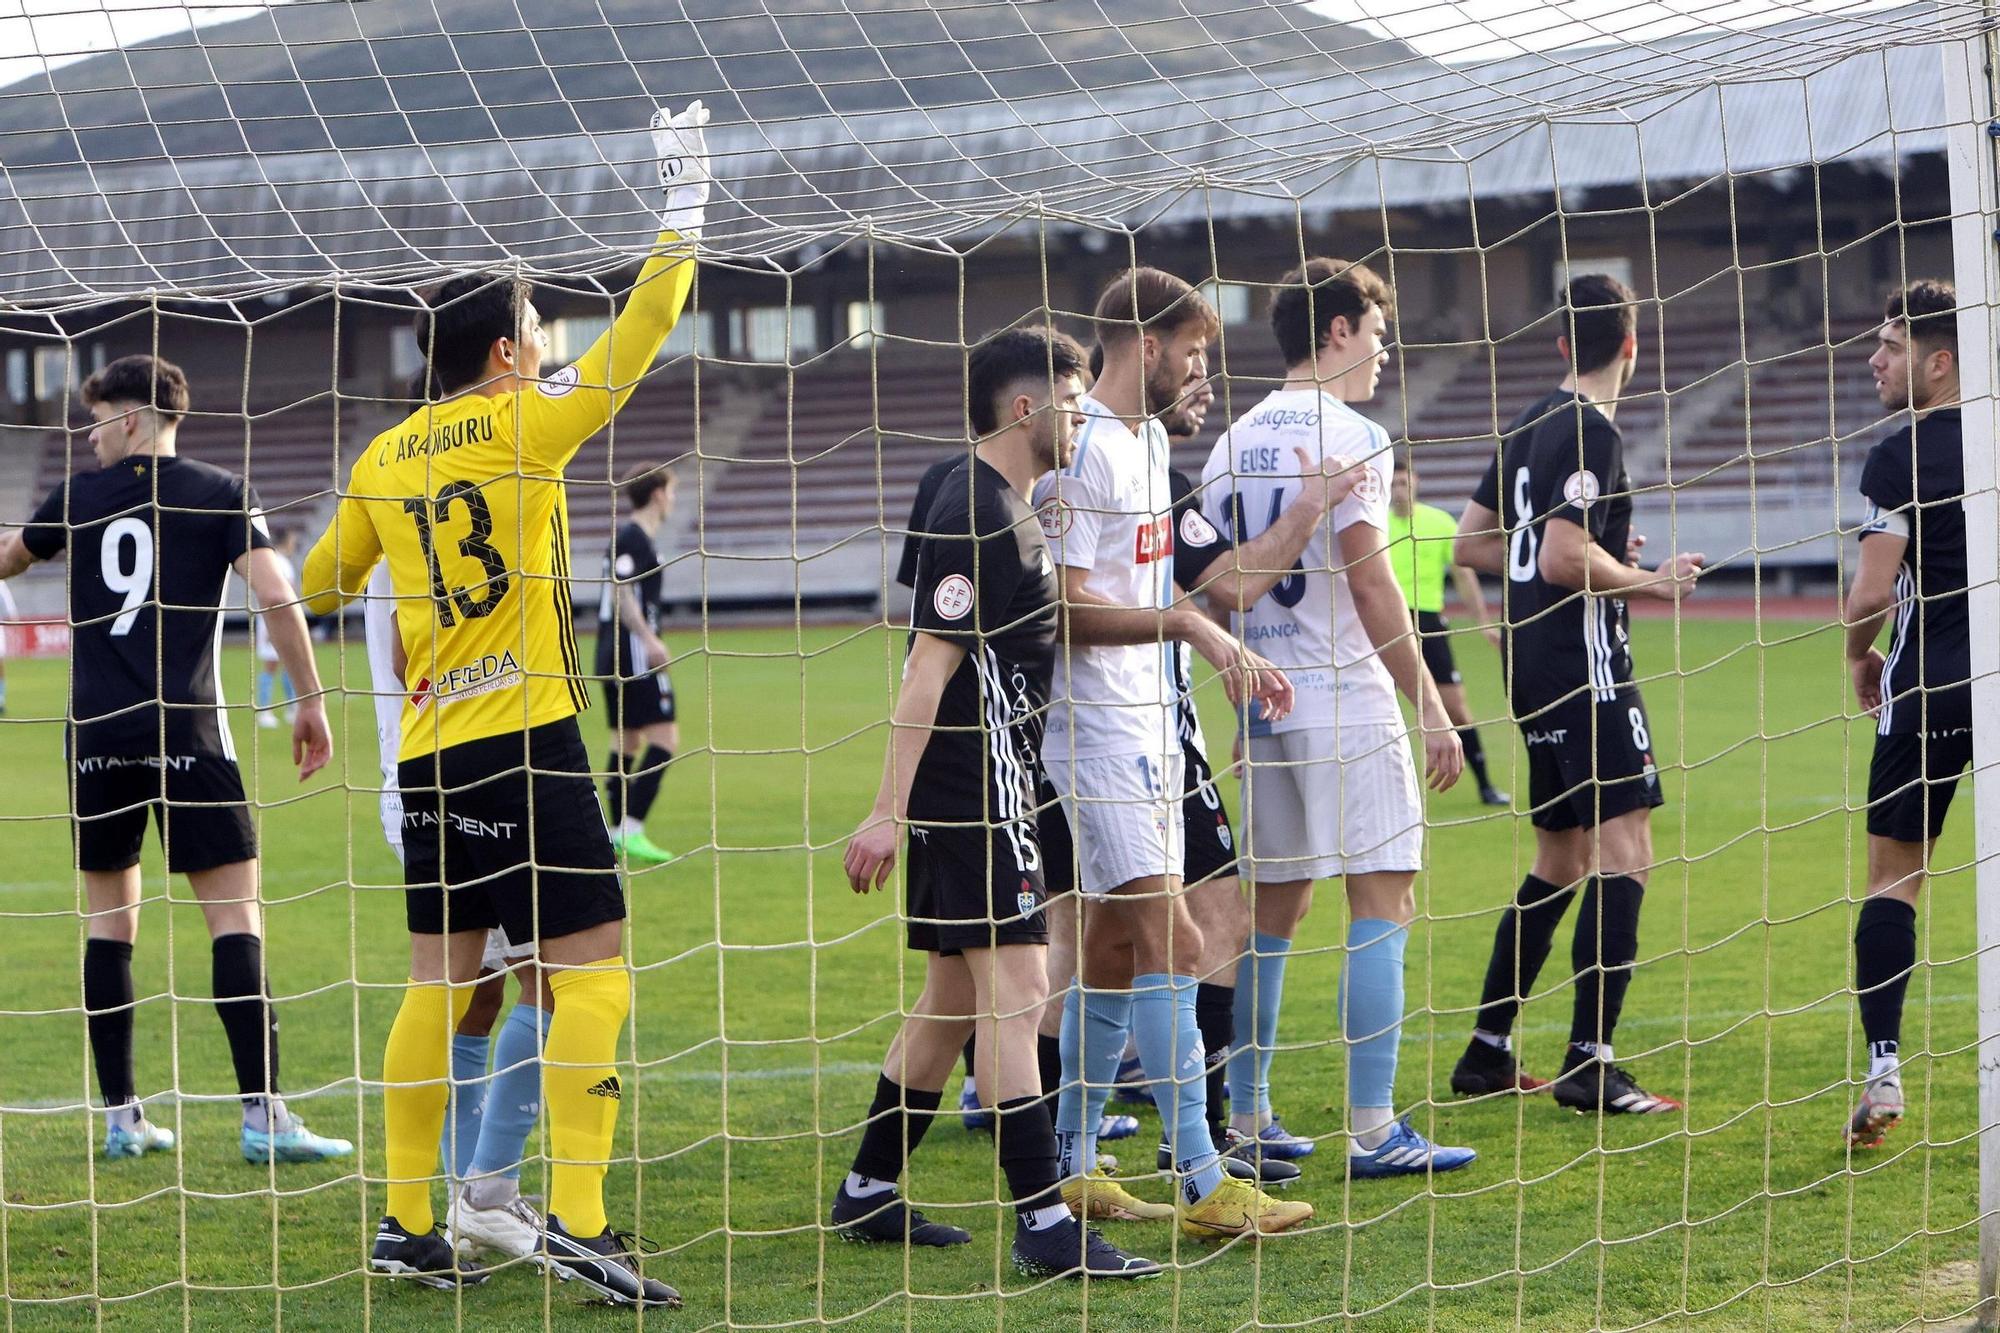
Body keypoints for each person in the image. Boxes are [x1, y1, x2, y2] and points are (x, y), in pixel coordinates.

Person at [301, 100, 714, 1305]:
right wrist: (681, 204)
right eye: (536, 326)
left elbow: (326, 579)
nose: (546, 341)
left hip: (427, 758)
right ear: (501, 353)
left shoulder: (384, 457)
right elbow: (642, 330)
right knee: (592, 972)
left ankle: (408, 1219)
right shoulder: (528, 421)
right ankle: (577, 1218)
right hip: (525, 740)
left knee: (439, 981)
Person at [832, 325, 1160, 1279]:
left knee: (950, 997)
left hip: (985, 781)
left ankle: (868, 1187)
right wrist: (886, 809)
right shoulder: (977, 508)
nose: (1085, 413)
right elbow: (925, 670)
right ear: (1025, 408)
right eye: (1071, 396)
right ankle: (1047, 1227)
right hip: (976, 788)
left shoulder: (969, 487)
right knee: (1017, 994)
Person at [0, 353, 349, 1166]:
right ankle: (263, 1114)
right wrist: (309, 699)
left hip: (97, 739)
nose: (88, 440)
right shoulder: (223, 491)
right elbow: (274, 594)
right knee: (234, 918)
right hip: (188, 734)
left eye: (96, 422)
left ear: (131, 419)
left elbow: (12, 555)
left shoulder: (78, 500)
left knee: (109, 922)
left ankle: (124, 1118)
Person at [1038, 266, 1310, 1241]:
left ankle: (1072, 1167)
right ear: (1145, 344)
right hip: (1090, 731)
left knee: (1112, 949)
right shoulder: (1081, 455)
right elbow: (1060, 607)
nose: (1201, 369)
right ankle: (1204, 1180)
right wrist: (1193, 629)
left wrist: (1201, 650)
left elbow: (1152, 583)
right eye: (1192, 350)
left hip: (1150, 721)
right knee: (1181, 942)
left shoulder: (1150, 440)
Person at [1199, 258, 1476, 1178]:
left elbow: (1219, 587)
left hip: (1264, 694)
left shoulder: (1229, 442)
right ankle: (1372, 1127)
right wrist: (1431, 702)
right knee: (1383, 896)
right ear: (1336, 330)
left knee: (1273, 905)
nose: (1384, 346)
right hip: (1346, 692)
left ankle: (1247, 1111)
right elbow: (1370, 580)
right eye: (1376, 327)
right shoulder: (1353, 435)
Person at [1447, 274, 1702, 1114]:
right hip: (1586, 669)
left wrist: (1587, 548)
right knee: (1628, 845)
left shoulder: (1528, 421)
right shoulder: (1591, 429)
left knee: (1561, 856)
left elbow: (1475, 544)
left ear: (1562, 342)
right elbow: (1560, 558)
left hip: (1530, 668)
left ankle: (1486, 1050)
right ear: (1632, 345)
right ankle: (1591, 1062)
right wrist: (1645, 579)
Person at [1159, 376, 1367, 1176]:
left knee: (1168, 928)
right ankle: (1208, 1136)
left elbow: (1220, 588)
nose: (1203, 381)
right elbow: (1233, 587)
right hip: (1121, 735)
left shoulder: (1174, 465)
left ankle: (1195, 1136)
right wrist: (1311, 504)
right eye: (1191, 357)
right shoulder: (1112, 463)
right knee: (1163, 934)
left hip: (1167, 730)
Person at [358, 563, 553, 1262]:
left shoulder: (391, 511)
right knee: (560, 975)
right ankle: (488, 1193)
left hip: (415, 777)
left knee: (474, 993)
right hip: (467, 770)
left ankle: (465, 1191)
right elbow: (424, 651)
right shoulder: (425, 522)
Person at [1840, 280, 1968, 1147]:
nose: (1875, 360)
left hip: (1924, 689)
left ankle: (1883, 1073)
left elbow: (1872, 592)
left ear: (1940, 360)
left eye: (1890, 346)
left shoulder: (1899, 457)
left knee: (1895, 878)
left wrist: (1858, 651)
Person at [1387, 456, 1510, 807]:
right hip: (1385, 623)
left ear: (1416, 482)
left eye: (1404, 482)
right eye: (1393, 483)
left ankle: (1485, 785)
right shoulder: (1375, 523)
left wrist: (1483, 622)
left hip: (1428, 622)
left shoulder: (1438, 521)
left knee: (1456, 708)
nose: (1399, 489)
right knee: (1375, 705)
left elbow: (1463, 574)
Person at [596, 463, 680, 866]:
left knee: (626, 742)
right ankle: (632, 828)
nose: (673, 500)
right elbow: (621, 589)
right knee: (665, 739)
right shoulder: (632, 537)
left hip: (613, 652)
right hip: (630, 652)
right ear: (659, 494)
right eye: (672, 491)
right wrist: (649, 640)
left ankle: (615, 834)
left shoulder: (636, 538)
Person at [255, 529, 301, 729]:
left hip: (277, 619)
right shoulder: (279, 563)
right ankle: (265, 710)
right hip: (274, 620)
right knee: (272, 665)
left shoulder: (278, 561)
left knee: (286, 664)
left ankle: (291, 708)